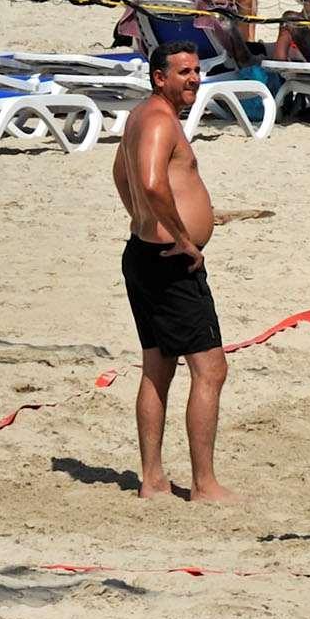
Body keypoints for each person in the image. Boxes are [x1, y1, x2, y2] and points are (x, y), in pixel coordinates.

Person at [113, 46, 240, 501]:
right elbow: (148, 181)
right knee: (211, 370)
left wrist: (141, 220)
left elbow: (120, 173)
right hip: (171, 262)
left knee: (157, 367)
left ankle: (153, 479)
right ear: (158, 77)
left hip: (146, 255)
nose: (194, 78)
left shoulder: (141, 116)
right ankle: (204, 483)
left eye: (197, 70)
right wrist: (182, 236)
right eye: (183, 72)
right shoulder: (160, 120)